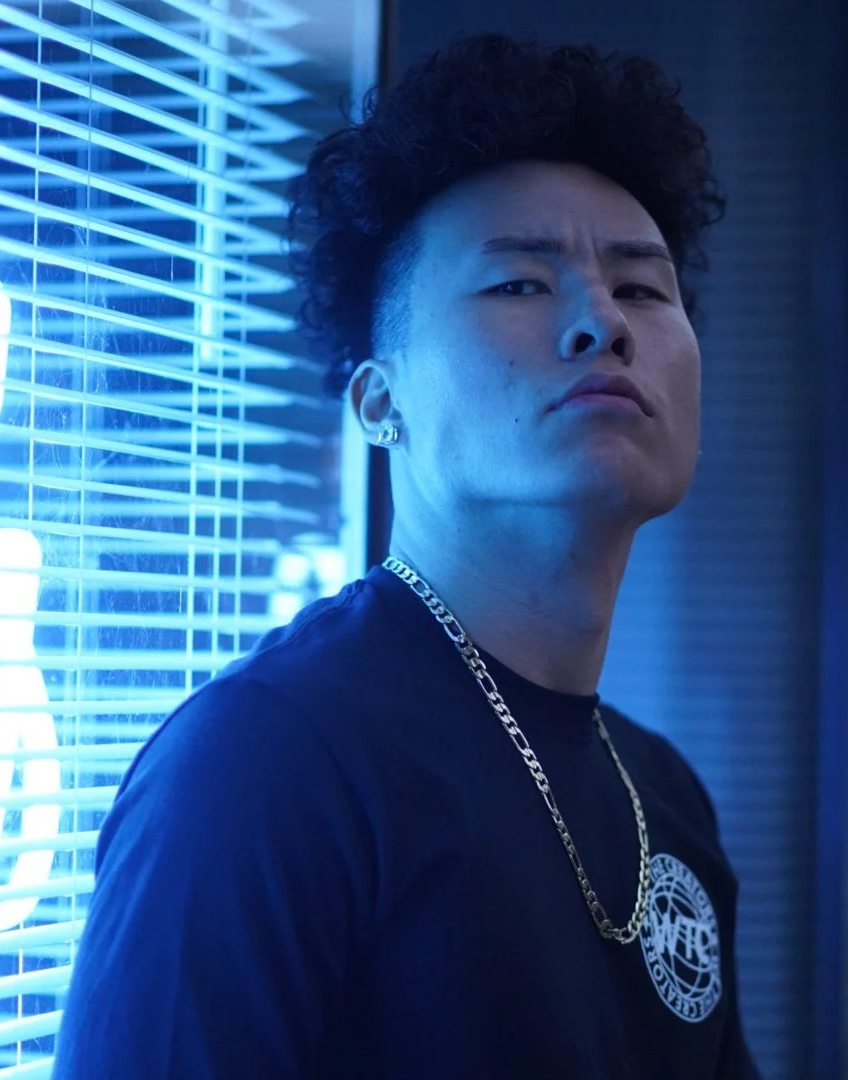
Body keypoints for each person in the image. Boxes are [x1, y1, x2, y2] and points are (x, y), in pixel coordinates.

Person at [53, 32, 763, 1078]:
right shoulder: (265, 762)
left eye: (642, 291)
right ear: (377, 402)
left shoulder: (662, 792)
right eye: (519, 285)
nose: (599, 324)